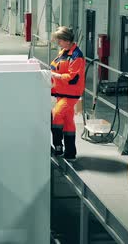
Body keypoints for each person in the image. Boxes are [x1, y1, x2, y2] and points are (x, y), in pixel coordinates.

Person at [50, 26, 85, 161]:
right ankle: (70, 154)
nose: (58, 43)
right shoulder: (64, 52)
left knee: (56, 116)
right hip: (60, 93)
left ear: (67, 40)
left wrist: (55, 75)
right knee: (68, 123)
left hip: (70, 96)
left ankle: (58, 147)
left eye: (59, 40)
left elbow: (73, 78)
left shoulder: (77, 57)